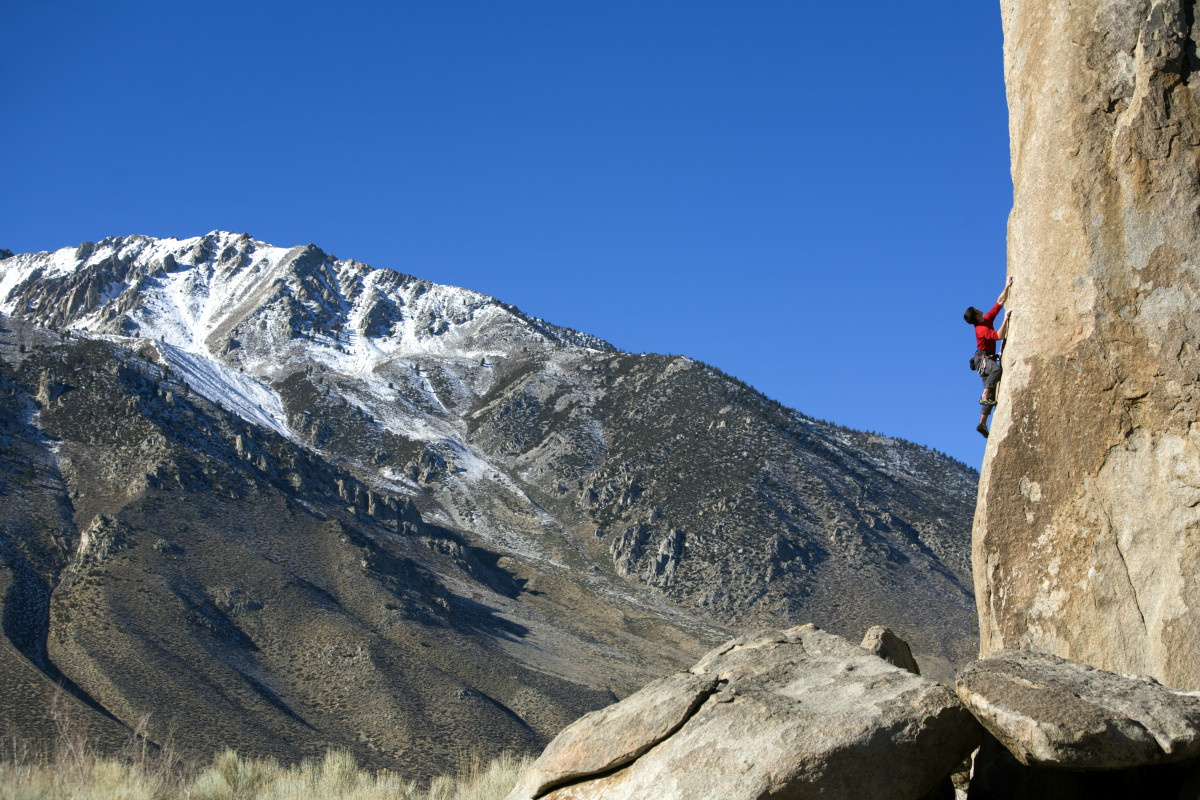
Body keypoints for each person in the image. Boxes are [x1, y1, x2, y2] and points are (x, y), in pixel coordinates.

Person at [964, 276, 1013, 438]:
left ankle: (983, 423)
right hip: (983, 359)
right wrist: (1006, 320)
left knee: (991, 393)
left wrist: (1007, 287)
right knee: (996, 372)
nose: (979, 309)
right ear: (976, 316)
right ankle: (985, 393)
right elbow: (999, 335)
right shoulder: (981, 329)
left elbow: (998, 303)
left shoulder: (985, 321)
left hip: (985, 360)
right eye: (977, 310)